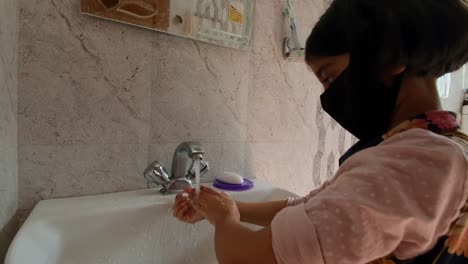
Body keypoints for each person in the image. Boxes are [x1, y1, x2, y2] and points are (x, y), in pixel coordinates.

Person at [173, 0, 468, 263]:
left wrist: (225, 219)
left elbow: (245, 257)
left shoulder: (415, 162)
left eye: (330, 76)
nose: (328, 96)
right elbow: (312, 208)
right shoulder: (432, 147)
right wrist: (228, 207)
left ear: (390, 58)